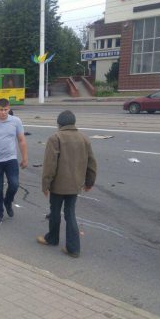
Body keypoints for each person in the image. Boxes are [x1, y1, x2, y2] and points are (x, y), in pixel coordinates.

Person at [37, 110, 97, 258]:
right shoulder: (84, 138)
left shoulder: (55, 138)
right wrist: (89, 182)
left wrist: (45, 184)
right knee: (70, 214)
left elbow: (50, 165)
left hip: (58, 186)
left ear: (59, 124)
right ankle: (73, 248)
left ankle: (52, 238)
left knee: (55, 212)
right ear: (74, 123)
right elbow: (91, 163)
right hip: (75, 185)